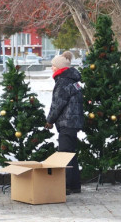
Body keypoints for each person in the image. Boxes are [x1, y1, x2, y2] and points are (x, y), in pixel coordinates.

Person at [45, 51, 83, 195]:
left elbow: (57, 104)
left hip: (67, 123)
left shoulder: (62, 82)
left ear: (60, 68)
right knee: (70, 155)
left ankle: (66, 186)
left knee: (65, 154)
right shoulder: (73, 81)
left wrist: (49, 121)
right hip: (73, 122)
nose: (51, 68)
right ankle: (74, 185)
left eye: (53, 66)